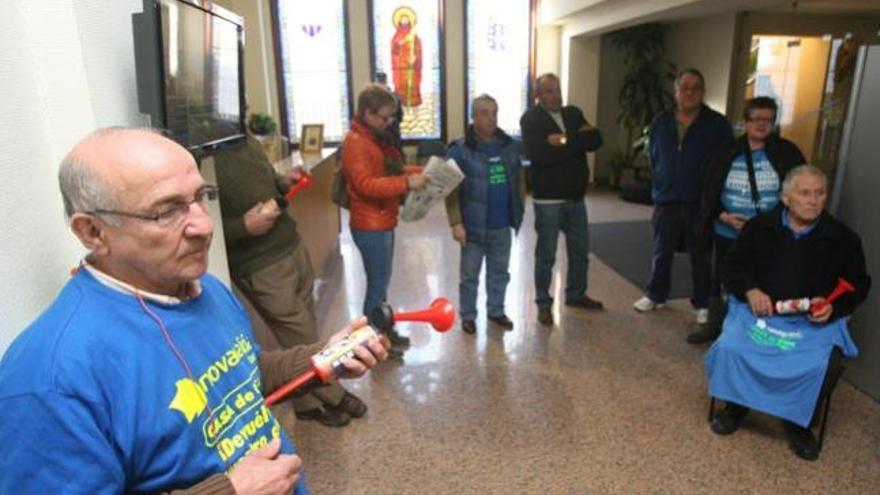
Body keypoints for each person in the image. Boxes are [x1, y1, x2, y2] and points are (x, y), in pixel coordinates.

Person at [0, 128, 388, 494]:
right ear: (93, 232)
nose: (203, 226)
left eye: (200, 197)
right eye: (166, 211)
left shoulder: (203, 288)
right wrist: (231, 490)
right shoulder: (49, 378)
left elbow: (239, 376)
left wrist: (322, 358)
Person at [705, 165, 870, 461]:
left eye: (820, 193)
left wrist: (835, 308)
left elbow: (859, 284)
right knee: (731, 346)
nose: (814, 200)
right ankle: (735, 406)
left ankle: (798, 422)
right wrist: (751, 290)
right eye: (804, 193)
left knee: (820, 365)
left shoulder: (844, 239)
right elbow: (731, 267)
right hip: (761, 312)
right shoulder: (758, 228)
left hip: (811, 321)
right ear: (785, 197)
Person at [213, 133, 367, 428]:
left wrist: (284, 182)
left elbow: (270, 181)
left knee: (305, 325)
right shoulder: (202, 160)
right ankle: (332, 393)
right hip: (259, 263)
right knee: (299, 330)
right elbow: (211, 224)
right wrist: (243, 226)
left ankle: (306, 402)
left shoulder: (244, 141)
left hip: (290, 244)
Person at [687, 97, 805, 344]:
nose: (762, 125)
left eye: (768, 119)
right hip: (727, 231)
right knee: (722, 279)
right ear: (745, 122)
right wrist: (722, 215)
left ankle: (751, 333)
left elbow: (797, 194)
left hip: (768, 235)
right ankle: (715, 326)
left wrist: (760, 225)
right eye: (756, 119)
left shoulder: (788, 153)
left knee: (762, 282)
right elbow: (707, 189)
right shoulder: (725, 151)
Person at [633, 68, 733, 326]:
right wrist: (660, 185)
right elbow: (655, 157)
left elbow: (724, 162)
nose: (689, 92)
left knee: (700, 255)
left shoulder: (717, 124)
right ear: (676, 91)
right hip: (667, 199)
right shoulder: (661, 121)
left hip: (700, 201)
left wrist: (712, 195)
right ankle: (656, 295)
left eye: (695, 88)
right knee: (661, 251)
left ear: (703, 92)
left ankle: (701, 303)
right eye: (684, 87)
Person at [341, 84, 428, 353]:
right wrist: (407, 182)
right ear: (367, 112)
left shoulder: (373, 137)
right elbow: (367, 184)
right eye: (384, 117)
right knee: (377, 285)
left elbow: (389, 169)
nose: (389, 122)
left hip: (381, 220)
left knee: (381, 283)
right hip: (370, 224)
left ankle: (383, 330)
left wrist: (420, 171)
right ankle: (373, 341)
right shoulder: (356, 143)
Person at [520, 73, 604, 326]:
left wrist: (564, 141)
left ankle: (576, 294)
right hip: (548, 200)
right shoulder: (531, 119)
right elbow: (538, 155)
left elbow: (596, 139)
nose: (556, 96)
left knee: (580, 251)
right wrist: (575, 144)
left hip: (576, 197)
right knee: (546, 255)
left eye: (557, 90)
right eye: (549, 91)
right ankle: (544, 303)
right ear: (538, 95)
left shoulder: (573, 113)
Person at [445, 94, 525, 334]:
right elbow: (450, 191)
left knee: (500, 272)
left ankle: (496, 311)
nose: (491, 119)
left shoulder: (509, 146)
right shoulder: (460, 149)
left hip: (501, 225)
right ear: (473, 116)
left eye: (494, 113)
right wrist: (456, 222)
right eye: (484, 113)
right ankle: (468, 315)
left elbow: (519, 180)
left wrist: (518, 210)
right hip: (473, 226)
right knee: (470, 275)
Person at [390, 6, 422, 108]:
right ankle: (401, 101)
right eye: (402, 19)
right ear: (399, 20)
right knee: (401, 83)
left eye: (406, 18)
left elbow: (418, 48)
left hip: (412, 63)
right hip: (401, 64)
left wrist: (415, 57)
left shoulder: (414, 35)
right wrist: (400, 43)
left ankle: (413, 101)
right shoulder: (396, 35)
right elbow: (394, 50)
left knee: (412, 83)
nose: (404, 20)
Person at [374, 71, 404, 151]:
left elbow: (400, 117)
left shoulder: (395, 97)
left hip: (392, 133)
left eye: (382, 81)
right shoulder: (372, 99)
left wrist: (392, 120)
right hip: (378, 135)